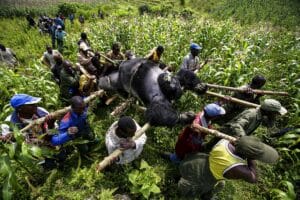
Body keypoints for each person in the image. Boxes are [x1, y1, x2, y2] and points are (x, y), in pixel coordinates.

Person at [178, 135, 279, 199]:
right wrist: (251, 158)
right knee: (189, 192)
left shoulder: (225, 141)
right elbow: (254, 178)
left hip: (200, 161)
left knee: (220, 184)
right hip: (206, 177)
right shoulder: (237, 168)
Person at [221, 99, 287, 137]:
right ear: (268, 111)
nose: (275, 115)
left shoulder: (262, 115)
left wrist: (272, 118)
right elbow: (237, 125)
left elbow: (270, 129)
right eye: (274, 113)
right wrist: (244, 139)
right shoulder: (252, 114)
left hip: (233, 136)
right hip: (226, 134)